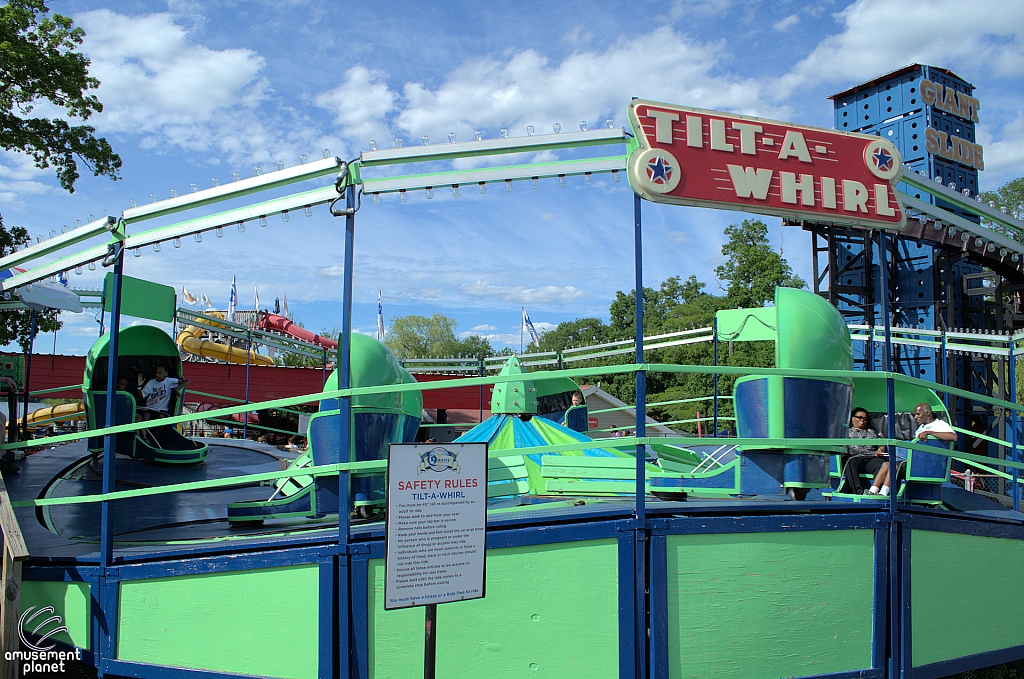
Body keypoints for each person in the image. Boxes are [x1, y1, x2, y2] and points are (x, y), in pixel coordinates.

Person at [867, 403, 958, 497]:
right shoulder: (921, 427)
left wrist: (929, 432)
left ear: (927, 413)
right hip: (916, 461)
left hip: (927, 463)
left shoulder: (939, 424)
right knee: (886, 464)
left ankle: (884, 493)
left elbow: (953, 437)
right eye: (915, 414)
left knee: (893, 465)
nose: (915, 417)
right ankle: (873, 491)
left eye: (918, 414)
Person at [840, 407, 887, 495]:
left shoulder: (871, 432)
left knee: (880, 464)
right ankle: (858, 493)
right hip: (854, 457)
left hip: (870, 457)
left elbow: (881, 444)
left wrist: (880, 449)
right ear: (852, 419)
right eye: (859, 417)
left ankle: (876, 492)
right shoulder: (846, 432)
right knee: (849, 463)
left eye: (865, 419)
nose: (863, 420)